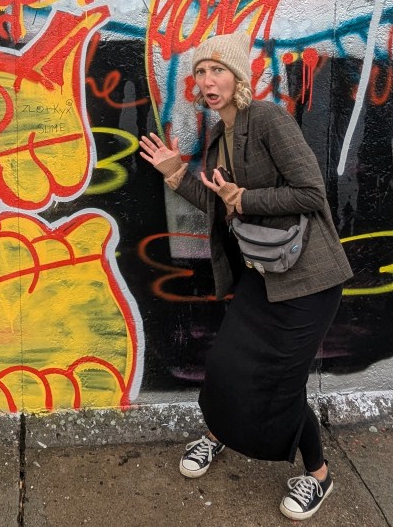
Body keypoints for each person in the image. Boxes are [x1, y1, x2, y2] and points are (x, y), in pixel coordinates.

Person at [138, 31, 353, 521]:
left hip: (308, 278)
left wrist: (246, 199)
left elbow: (312, 193)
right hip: (262, 275)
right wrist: (177, 175)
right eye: (200, 72)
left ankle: (318, 476)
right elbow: (220, 205)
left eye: (218, 70)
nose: (208, 80)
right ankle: (219, 435)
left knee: (282, 381)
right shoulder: (218, 138)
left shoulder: (269, 120)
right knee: (225, 366)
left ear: (238, 77)